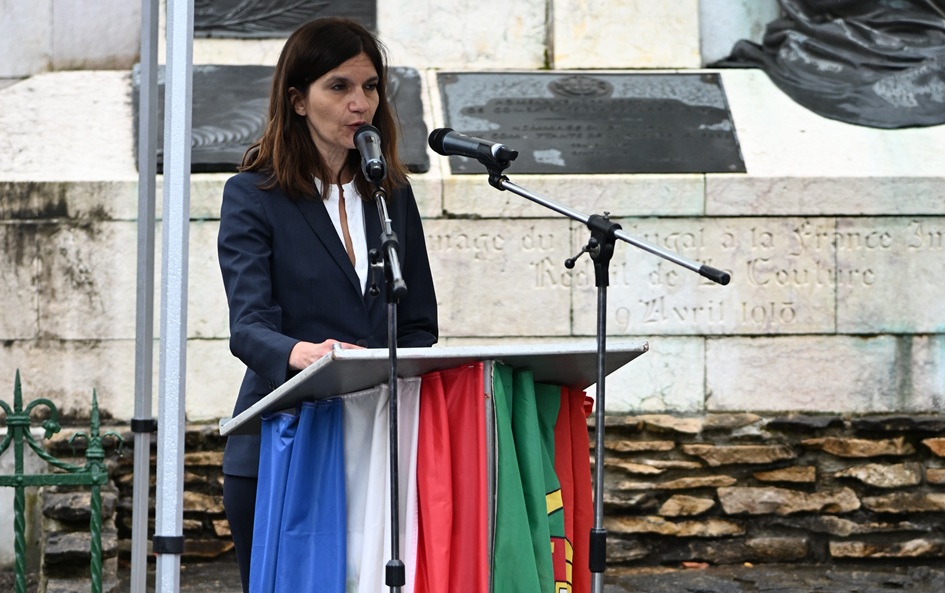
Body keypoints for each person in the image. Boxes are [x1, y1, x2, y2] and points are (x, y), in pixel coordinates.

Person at [216, 17, 438, 593]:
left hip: (379, 444)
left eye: (370, 87)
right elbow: (249, 326)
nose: (359, 103)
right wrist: (302, 354)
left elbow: (418, 323)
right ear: (298, 100)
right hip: (284, 438)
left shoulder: (392, 195)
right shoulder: (252, 195)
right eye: (339, 87)